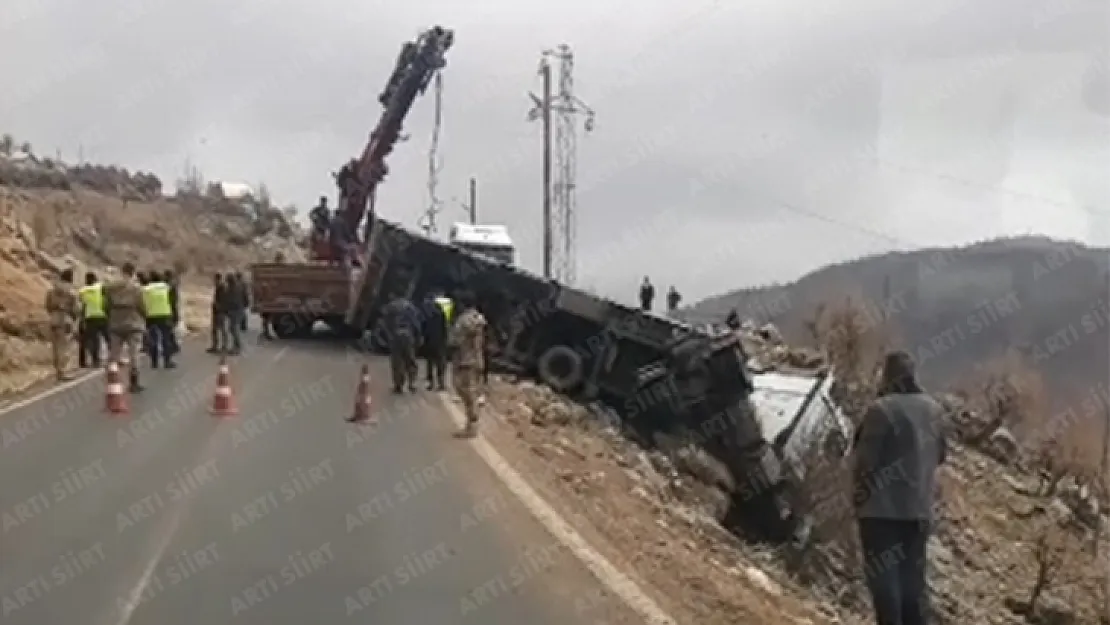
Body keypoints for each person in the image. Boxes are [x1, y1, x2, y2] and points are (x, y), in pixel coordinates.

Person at [852, 351, 947, 625]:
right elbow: (941, 455)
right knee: (913, 581)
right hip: (919, 510)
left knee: (885, 581)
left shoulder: (880, 410)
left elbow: (865, 464)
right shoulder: (934, 411)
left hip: (880, 512)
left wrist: (858, 499)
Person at [104, 262, 148, 392]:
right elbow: (142, 306)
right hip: (133, 323)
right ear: (133, 272)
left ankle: (112, 380)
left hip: (116, 323)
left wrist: (110, 316)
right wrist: (145, 317)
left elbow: (106, 305)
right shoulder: (136, 288)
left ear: (122, 271)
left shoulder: (111, 287)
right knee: (134, 353)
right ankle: (134, 382)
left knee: (114, 353)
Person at [448, 291, 487, 438]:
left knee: (464, 390)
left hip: (465, 359)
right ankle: (471, 423)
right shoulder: (478, 318)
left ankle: (472, 424)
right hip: (476, 359)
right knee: (470, 391)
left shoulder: (464, 320)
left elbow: (455, 341)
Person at [44, 267, 80, 381]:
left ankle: (58, 371)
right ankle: (63, 371)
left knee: (55, 347)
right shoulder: (71, 292)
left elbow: (47, 306)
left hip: (53, 319)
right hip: (65, 320)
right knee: (64, 347)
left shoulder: (51, 290)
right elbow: (76, 309)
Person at [381, 294, 421, 393]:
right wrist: (418, 336)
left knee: (397, 361)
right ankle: (412, 383)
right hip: (408, 334)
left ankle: (398, 385)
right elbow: (416, 323)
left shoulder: (390, 306)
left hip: (395, 335)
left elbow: (385, 323)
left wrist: (389, 335)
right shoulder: (410, 307)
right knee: (410, 359)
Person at [142, 270, 176, 369]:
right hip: (165, 314)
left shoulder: (146, 289)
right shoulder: (166, 287)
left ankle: (154, 362)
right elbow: (171, 300)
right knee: (166, 338)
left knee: (153, 339)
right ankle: (167, 361)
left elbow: (143, 302)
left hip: (151, 316)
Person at [77, 271, 108, 368]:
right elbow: (107, 299)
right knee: (109, 338)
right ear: (95, 279)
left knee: (94, 340)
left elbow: (83, 304)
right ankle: (114, 358)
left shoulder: (83, 290)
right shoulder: (101, 287)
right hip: (102, 315)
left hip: (90, 317)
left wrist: (82, 318)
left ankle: (96, 361)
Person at [421, 293, 449, 390]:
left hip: (430, 341)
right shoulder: (442, 314)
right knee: (440, 363)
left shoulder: (427, 314)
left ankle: (430, 383)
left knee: (430, 363)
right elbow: (445, 328)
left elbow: (424, 328)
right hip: (439, 341)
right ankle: (441, 383)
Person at [224, 273, 247, 355]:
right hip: (238, 309)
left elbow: (228, 300)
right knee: (233, 328)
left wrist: (226, 310)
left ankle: (237, 347)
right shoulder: (239, 287)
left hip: (234, 310)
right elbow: (245, 297)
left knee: (234, 329)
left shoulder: (231, 289)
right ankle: (236, 346)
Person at [207, 273, 228, 354]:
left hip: (220, 311)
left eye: (215, 279)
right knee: (216, 330)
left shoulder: (222, 287)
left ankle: (221, 346)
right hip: (218, 311)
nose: (214, 281)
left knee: (220, 329)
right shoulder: (220, 287)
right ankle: (217, 346)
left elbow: (222, 300)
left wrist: (217, 305)